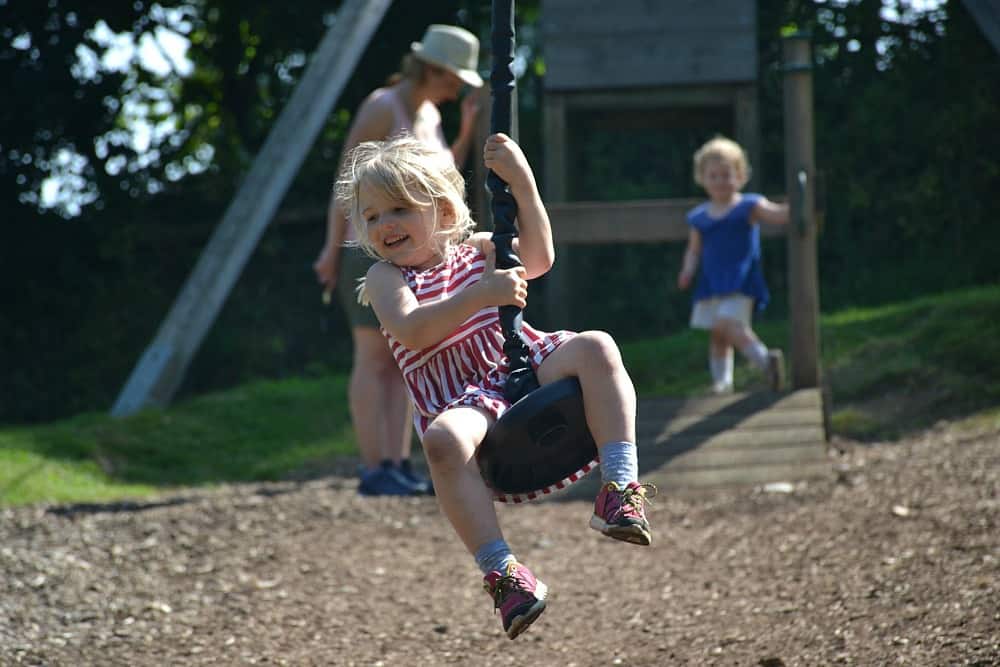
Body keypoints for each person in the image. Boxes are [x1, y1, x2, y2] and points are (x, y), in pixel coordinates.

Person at [335, 133, 655, 639]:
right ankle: (504, 574)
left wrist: (522, 181)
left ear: (441, 211)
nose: (384, 225)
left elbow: (539, 257)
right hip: (462, 397)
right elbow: (415, 329)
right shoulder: (383, 277)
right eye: (371, 217)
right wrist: (483, 294)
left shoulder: (481, 249)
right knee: (441, 441)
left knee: (598, 346)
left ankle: (619, 488)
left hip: (519, 362)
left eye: (398, 208)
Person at [313, 25, 483, 496]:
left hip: (416, 252)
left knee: (404, 357)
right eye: (454, 78)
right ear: (434, 68)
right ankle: (374, 467)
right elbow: (346, 182)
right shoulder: (381, 106)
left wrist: (467, 132)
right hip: (365, 249)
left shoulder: (428, 114)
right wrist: (332, 248)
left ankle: (398, 462)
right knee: (373, 358)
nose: (457, 89)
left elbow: (439, 180)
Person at [677, 136, 790, 394]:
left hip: (740, 281)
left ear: (740, 175)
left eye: (727, 174)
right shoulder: (700, 218)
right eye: (713, 176)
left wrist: (798, 203)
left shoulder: (749, 206)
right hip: (712, 283)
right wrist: (687, 271)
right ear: (702, 178)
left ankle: (766, 362)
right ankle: (722, 383)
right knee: (718, 335)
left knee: (726, 324)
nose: (720, 181)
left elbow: (777, 214)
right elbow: (694, 250)